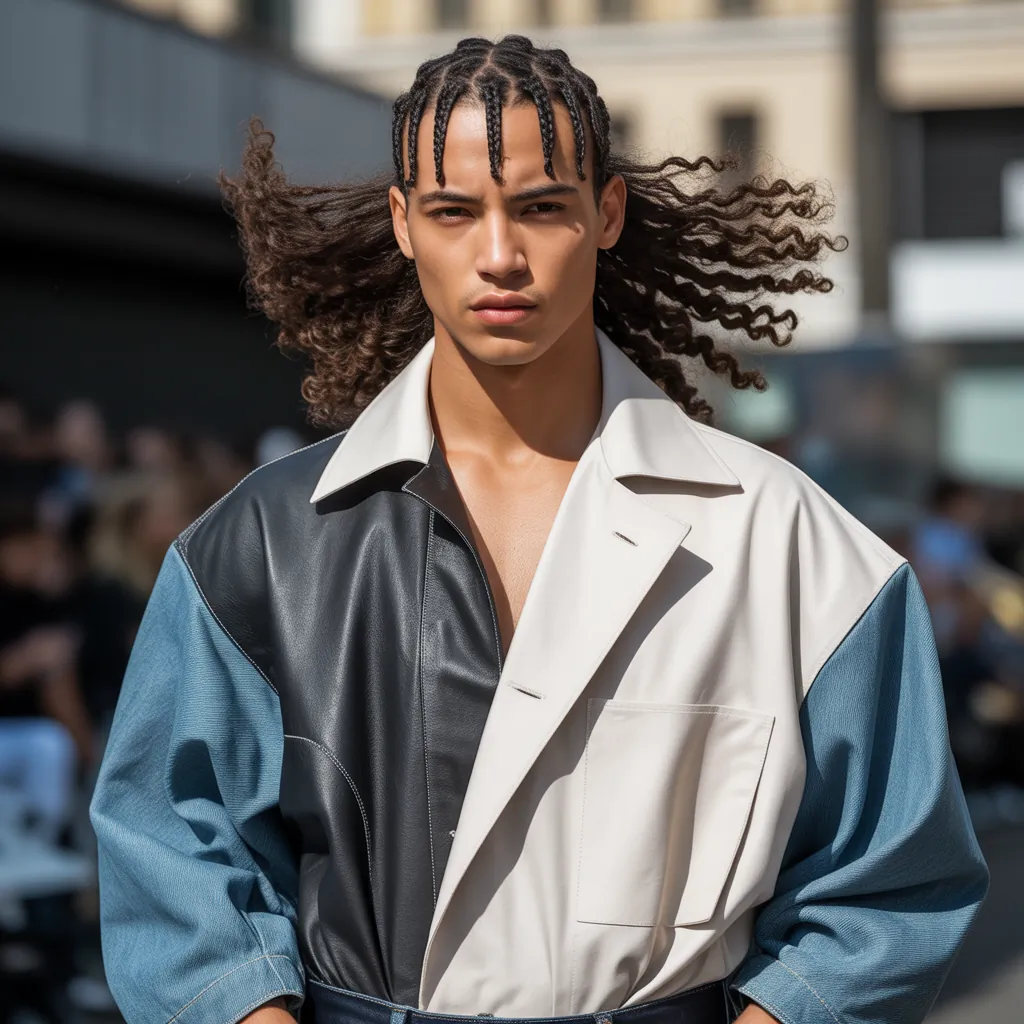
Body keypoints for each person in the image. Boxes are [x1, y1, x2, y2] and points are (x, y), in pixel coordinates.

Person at [89, 35, 987, 1024]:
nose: (500, 255)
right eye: (453, 211)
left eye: (542, 207)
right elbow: (172, 852)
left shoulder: (799, 548)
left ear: (607, 213)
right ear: (403, 222)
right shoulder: (256, 546)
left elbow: (889, 880)